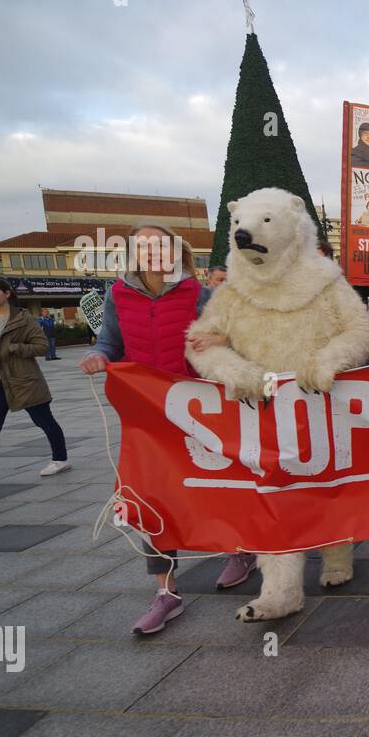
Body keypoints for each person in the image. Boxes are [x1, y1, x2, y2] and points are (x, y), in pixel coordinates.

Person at [79, 225, 212, 634]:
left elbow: (229, 343)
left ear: (176, 251)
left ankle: (239, 551)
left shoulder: (201, 294)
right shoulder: (118, 294)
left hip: (200, 410)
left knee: (217, 486)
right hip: (145, 412)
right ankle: (166, 592)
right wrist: (98, 356)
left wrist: (218, 342)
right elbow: (110, 343)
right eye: (145, 246)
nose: (154, 252)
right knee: (150, 497)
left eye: (161, 245)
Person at [0, 278, 71, 494]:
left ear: (7, 293)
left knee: (44, 421)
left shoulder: (23, 319)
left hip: (22, 381)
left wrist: (14, 347)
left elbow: (42, 346)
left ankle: (60, 459)